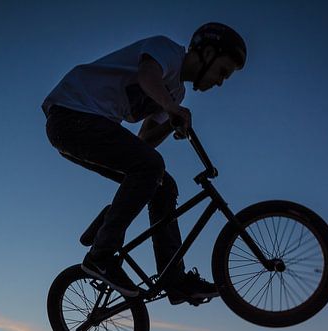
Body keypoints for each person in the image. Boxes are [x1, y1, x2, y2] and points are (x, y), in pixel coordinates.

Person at [42, 23, 246, 302]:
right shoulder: (167, 51)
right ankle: (101, 255)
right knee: (151, 167)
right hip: (71, 116)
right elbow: (147, 75)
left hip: (88, 130)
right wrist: (173, 109)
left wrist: (170, 122)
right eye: (222, 71)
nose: (220, 81)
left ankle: (174, 278)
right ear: (207, 52)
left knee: (162, 183)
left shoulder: (177, 94)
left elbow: (144, 142)